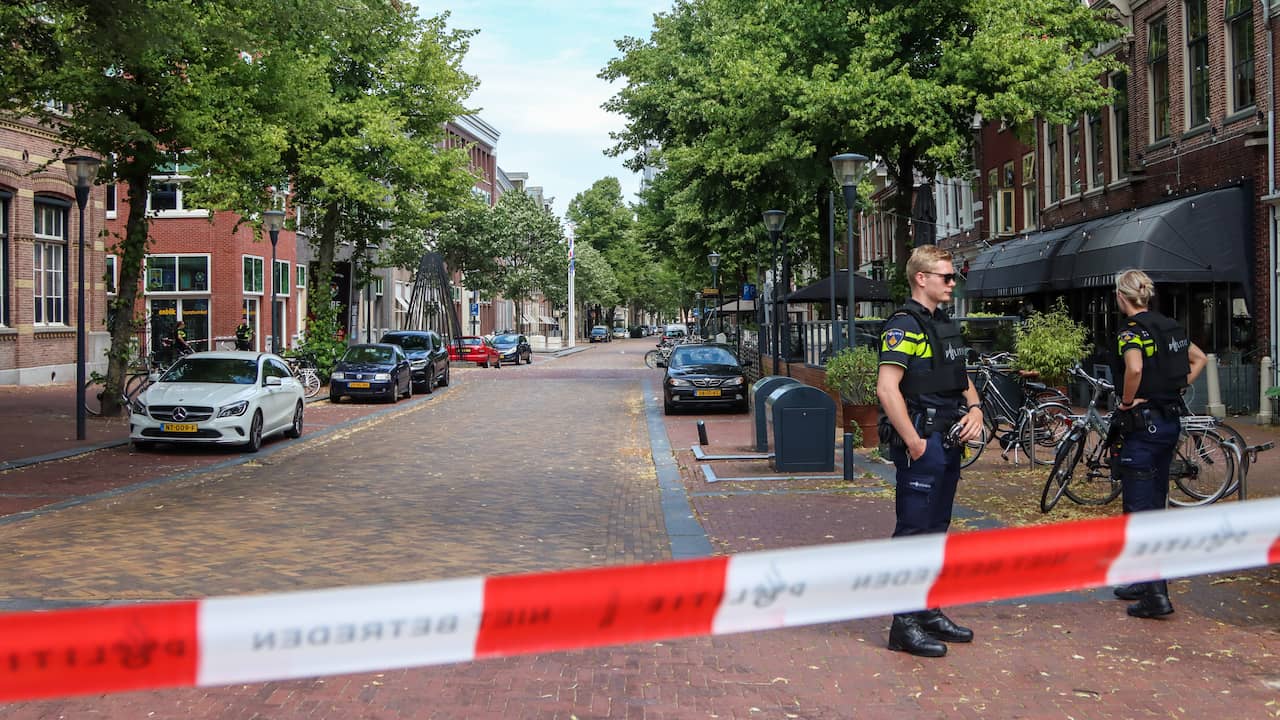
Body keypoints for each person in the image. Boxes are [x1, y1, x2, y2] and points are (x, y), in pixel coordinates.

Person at [876, 245, 985, 658]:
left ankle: (927, 610)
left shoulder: (943, 325)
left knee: (936, 530)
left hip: (949, 440)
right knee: (913, 531)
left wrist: (975, 409)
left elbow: (961, 378)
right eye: (946, 276)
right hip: (924, 443)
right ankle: (903, 625)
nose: (953, 283)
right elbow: (888, 388)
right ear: (922, 278)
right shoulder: (904, 326)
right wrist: (914, 442)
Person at [1109, 269, 1206, 618]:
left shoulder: (1131, 331)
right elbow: (1200, 359)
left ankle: (1156, 595)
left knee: (1139, 510)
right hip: (1169, 422)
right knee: (1155, 501)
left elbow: (1133, 369)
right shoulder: (1170, 326)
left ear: (1122, 297)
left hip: (1144, 425)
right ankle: (1141, 579)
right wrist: (1175, 387)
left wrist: (1127, 400)